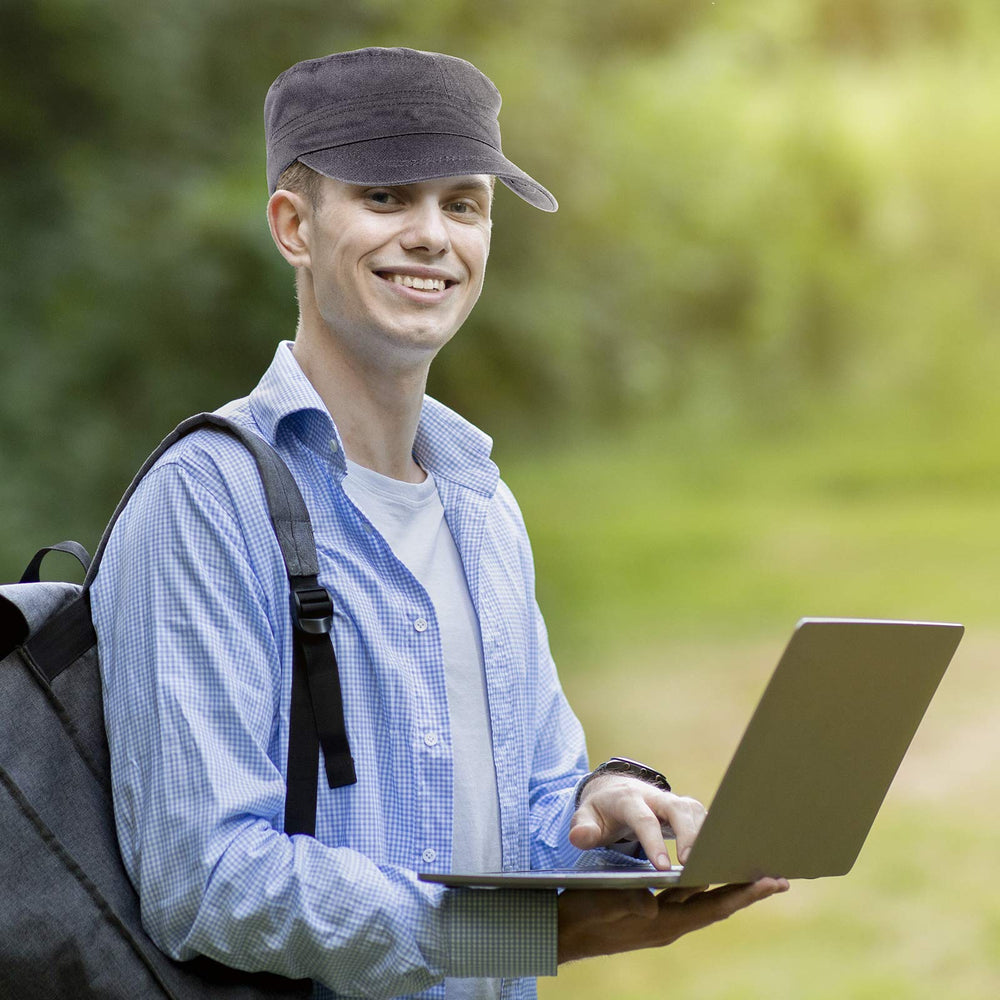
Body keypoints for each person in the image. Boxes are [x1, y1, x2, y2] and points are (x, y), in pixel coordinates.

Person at [92, 46, 787, 1000]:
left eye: (462, 204)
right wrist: (523, 935)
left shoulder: (484, 508)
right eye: (386, 198)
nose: (431, 236)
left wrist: (606, 819)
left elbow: (523, 813)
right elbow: (204, 881)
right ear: (293, 226)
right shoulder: (206, 504)